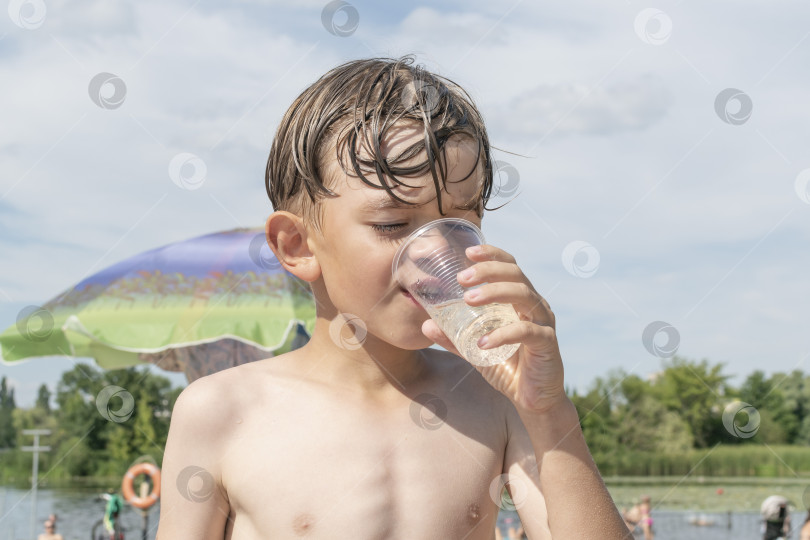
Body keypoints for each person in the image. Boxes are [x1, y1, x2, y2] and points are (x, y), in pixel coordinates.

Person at [156, 55, 631, 539]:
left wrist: (550, 412)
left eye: (460, 224)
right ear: (297, 246)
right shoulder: (222, 411)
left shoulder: (495, 398)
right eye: (392, 225)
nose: (433, 251)